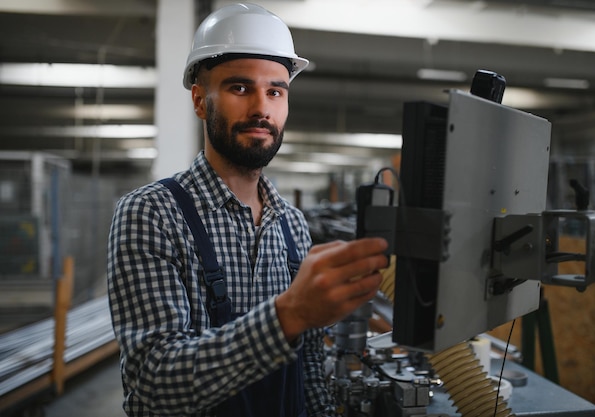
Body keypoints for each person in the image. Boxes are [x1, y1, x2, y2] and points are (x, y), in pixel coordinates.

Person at [107, 3, 389, 417]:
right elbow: (154, 380)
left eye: (275, 91)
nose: (262, 107)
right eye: (240, 88)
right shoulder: (150, 215)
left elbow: (308, 367)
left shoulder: (292, 225)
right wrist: (289, 314)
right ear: (201, 101)